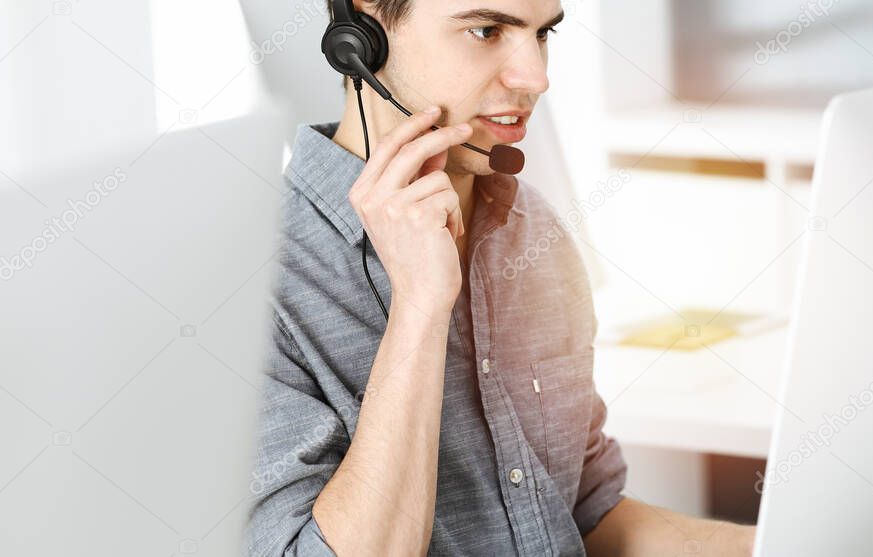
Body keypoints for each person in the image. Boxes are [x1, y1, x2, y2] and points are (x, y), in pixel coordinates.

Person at [245, 1, 755, 555]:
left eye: (543, 34)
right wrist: (420, 307)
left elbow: (585, 514)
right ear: (362, 36)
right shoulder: (252, 284)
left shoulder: (531, 229)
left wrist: (777, 543)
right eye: (485, 31)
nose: (536, 77)